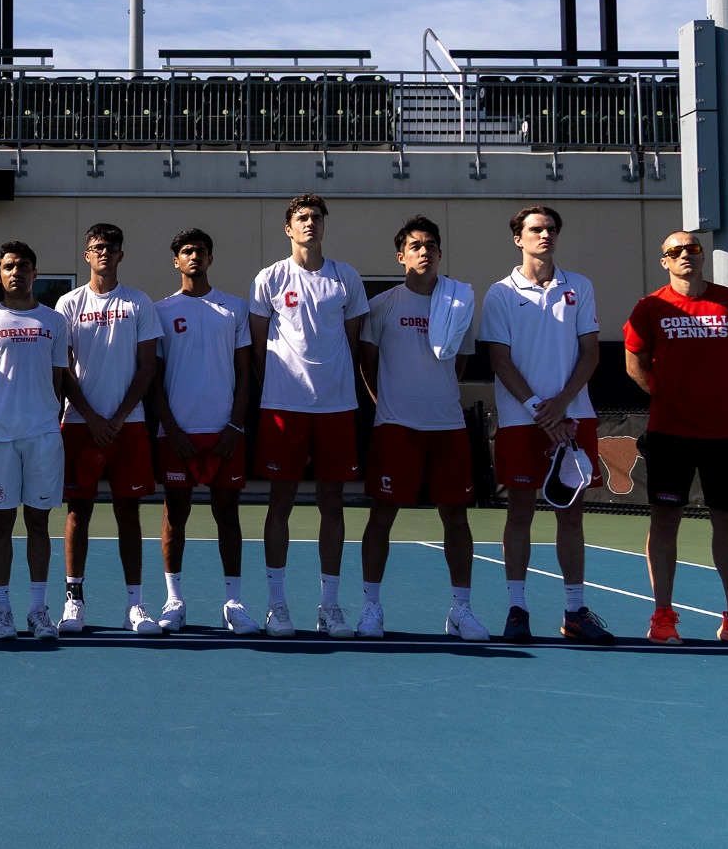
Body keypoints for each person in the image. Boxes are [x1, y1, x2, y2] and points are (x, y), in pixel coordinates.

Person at [624, 231, 728, 648]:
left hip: (724, 432)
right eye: (675, 251)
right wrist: (670, 397)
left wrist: (704, 395)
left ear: (702, 255)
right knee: (665, 520)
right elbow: (634, 364)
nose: (685, 255)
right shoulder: (649, 307)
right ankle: (662, 617)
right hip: (669, 432)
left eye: (692, 248)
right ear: (664, 261)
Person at [478, 205, 614, 644]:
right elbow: (500, 360)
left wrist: (561, 405)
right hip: (522, 421)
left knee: (570, 514)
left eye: (551, 228)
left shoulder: (580, 286)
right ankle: (517, 610)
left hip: (574, 418)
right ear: (518, 238)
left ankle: (575, 612)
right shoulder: (501, 293)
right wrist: (540, 408)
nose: (545, 235)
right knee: (519, 513)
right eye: (536, 229)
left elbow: (590, 352)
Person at [357, 216, 487, 640]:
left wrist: (435, 395)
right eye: (415, 245)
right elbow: (367, 364)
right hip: (395, 427)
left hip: (447, 426)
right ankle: (371, 609)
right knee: (382, 515)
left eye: (430, 244)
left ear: (440, 253)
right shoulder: (383, 305)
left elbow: (459, 362)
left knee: (456, 517)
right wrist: (388, 405)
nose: (424, 251)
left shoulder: (458, 303)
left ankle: (461, 611)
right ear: (401, 257)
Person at [249, 193, 370, 638]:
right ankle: (276, 606)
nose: (310, 223)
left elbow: (353, 343)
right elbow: (258, 347)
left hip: (336, 408)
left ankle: (330, 607)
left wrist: (334, 384)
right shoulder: (269, 278)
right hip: (285, 407)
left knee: (332, 504)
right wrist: (280, 390)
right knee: (279, 502)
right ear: (289, 228)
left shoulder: (346, 277)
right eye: (301, 217)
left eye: (316, 217)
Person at [147, 228, 257, 635]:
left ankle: (233, 603)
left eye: (201, 251)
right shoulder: (160, 310)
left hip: (224, 431)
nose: (194, 257)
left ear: (211, 258)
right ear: (176, 260)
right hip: (178, 434)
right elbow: (153, 378)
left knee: (227, 515)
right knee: (175, 515)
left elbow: (245, 372)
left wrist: (235, 425)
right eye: (187, 251)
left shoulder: (235, 308)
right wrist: (171, 428)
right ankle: (174, 601)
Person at [54, 224, 163, 635]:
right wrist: (92, 417)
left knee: (128, 513)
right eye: (97, 247)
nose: (104, 252)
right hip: (79, 423)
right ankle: (73, 601)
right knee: (78, 511)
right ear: (87, 255)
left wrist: (117, 418)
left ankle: (135, 605)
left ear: (121, 254)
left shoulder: (139, 302)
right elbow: (63, 368)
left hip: (128, 425)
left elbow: (147, 368)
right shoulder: (68, 303)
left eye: (111, 247)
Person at [0, 242, 70, 639]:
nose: (16, 272)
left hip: (43, 436)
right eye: (9, 266)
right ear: (0, 273)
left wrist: (45, 415)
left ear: (34, 273)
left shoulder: (54, 321)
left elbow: (58, 379)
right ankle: (2, 611)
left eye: (23, 266)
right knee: (1, 524)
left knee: (39, 523)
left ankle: (39, 611)